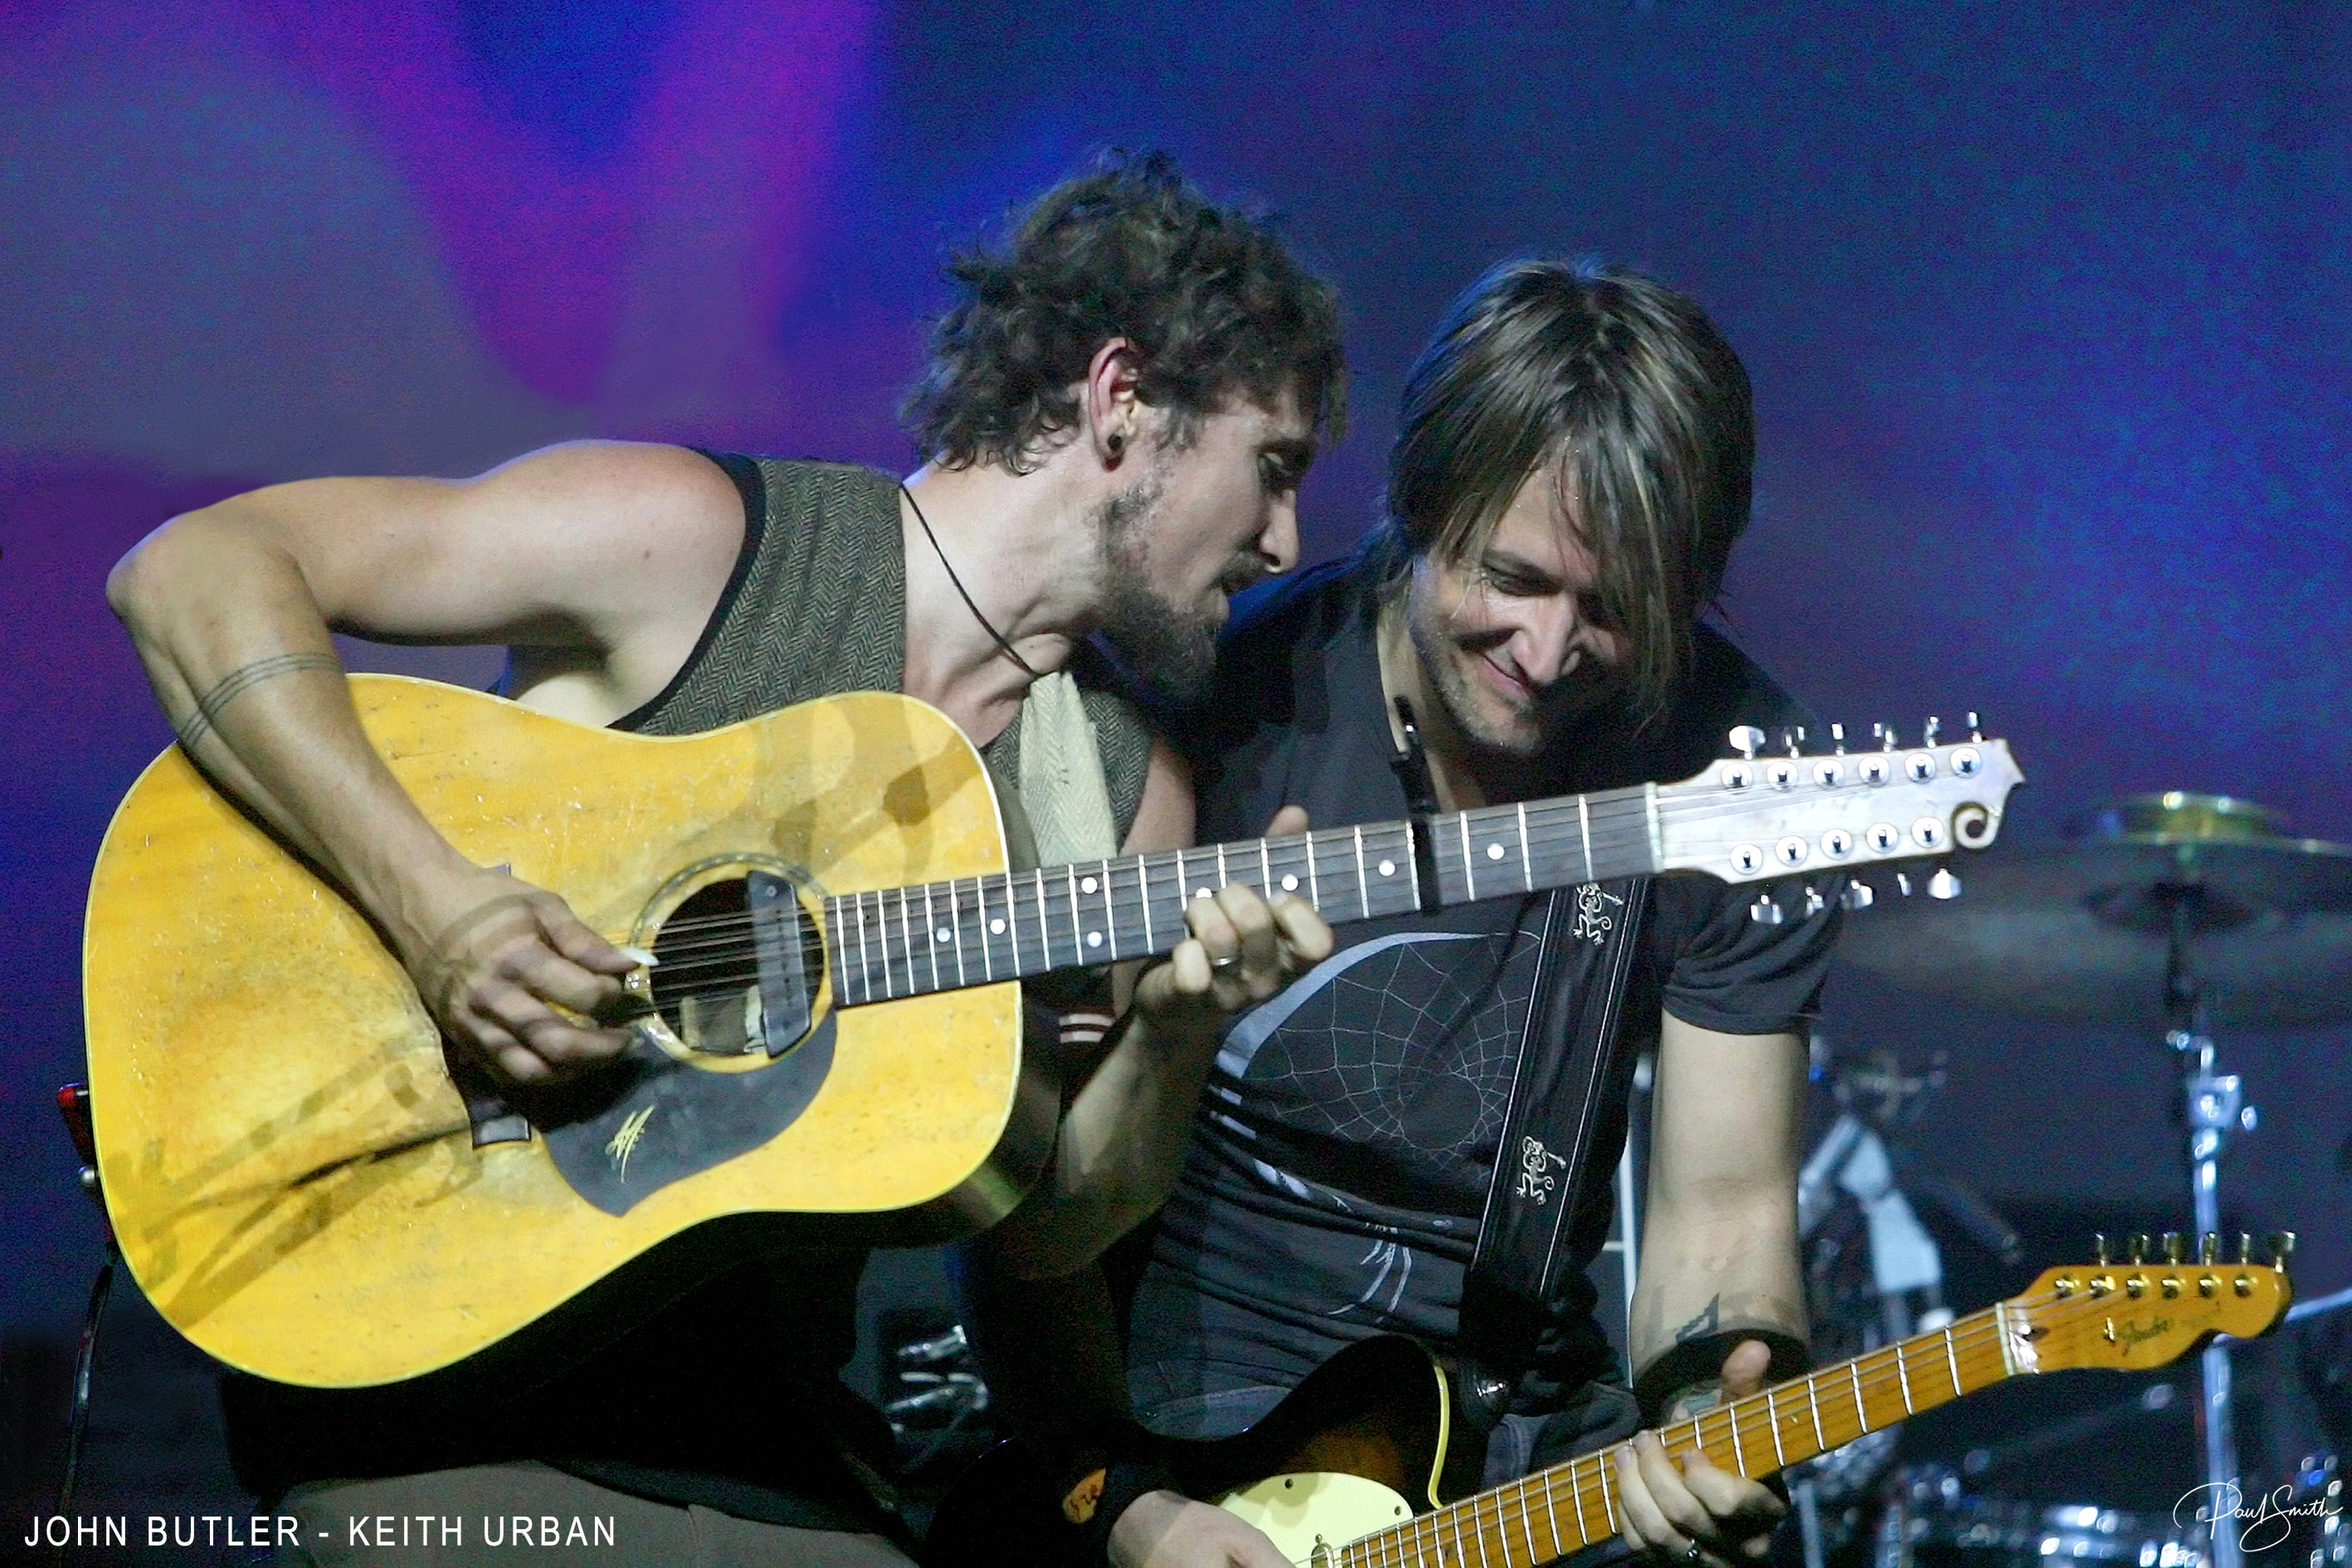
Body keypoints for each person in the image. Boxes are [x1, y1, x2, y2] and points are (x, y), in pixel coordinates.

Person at [104, 151, 1340, 1566]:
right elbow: (193, 570)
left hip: (778, 1471)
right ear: (1123, 399)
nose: (1287, 540)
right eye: (1274, 467)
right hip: (440, 1406)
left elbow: (1039, 1236)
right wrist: (436, 908)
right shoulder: (696, 541)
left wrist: (1178, 1030)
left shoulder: (1122, 796)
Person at [966, 260, 1841, 1568]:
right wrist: (1125, 1498)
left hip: (1509, 1446)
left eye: (1612, 610)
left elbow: (1724, 1209)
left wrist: (1710, 1410)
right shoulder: (1219, 691)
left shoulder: (1730, 773)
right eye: (1513, 579)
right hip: (1181, 1433)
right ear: (1419, 510)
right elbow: (1029, 1201)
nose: (1547, 652)